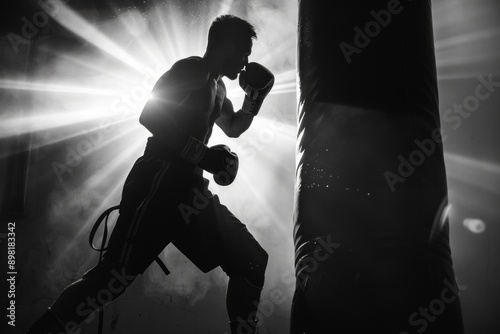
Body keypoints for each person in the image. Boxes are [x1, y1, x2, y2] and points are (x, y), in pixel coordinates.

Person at [27, 14, 274, 334]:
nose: (245, 63)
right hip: (158, 181)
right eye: (244, 53)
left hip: (190, 191)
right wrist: (202, 154)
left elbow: (234, 127)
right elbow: (151, 114)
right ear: (226, 44)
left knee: (251, 260)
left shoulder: (221, 89)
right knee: (111, 279)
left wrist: (254, 101)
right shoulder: (192, 69)